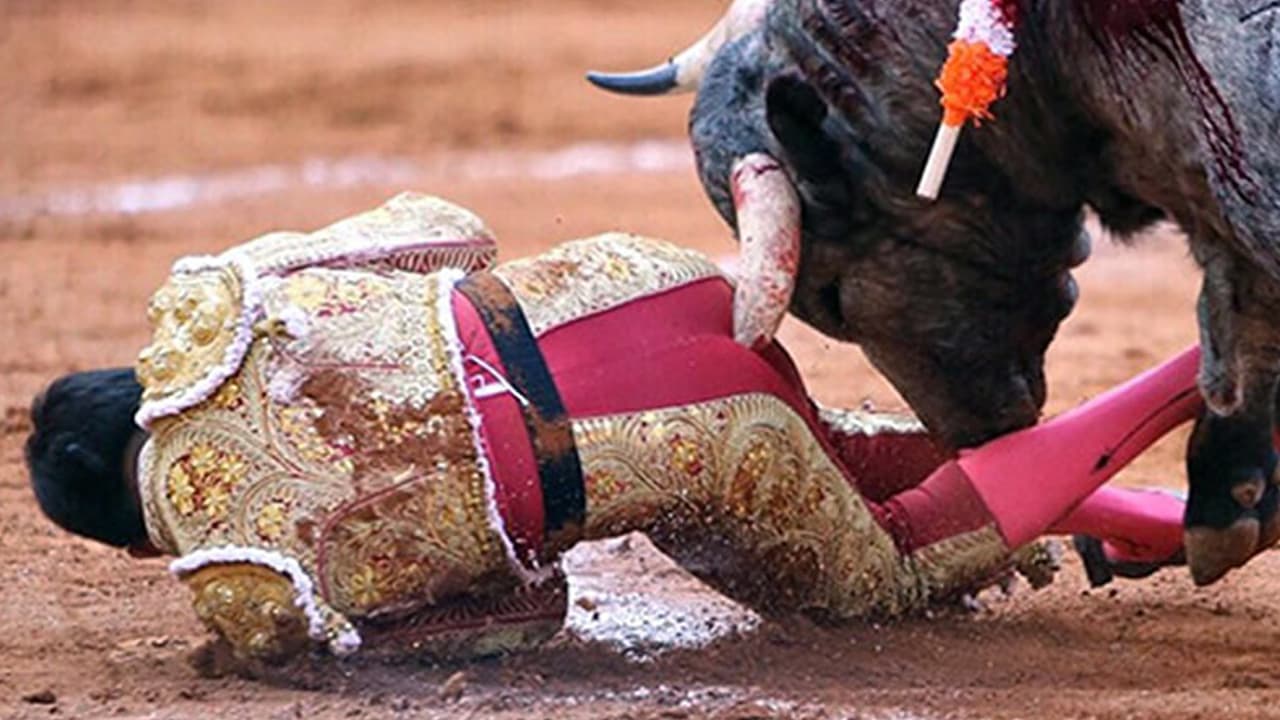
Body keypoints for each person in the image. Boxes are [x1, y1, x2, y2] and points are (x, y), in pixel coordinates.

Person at [25, 193, 1208, 665]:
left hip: (674, 443)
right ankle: (1151, 511)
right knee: (824, 459)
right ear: (141, 386)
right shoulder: (223, 307)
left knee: (880, 560)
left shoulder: (258, 591)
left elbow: (525, 614)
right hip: (634, 282)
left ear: (137, 546)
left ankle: (1213, 367)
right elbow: (449, 229)